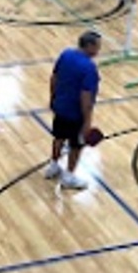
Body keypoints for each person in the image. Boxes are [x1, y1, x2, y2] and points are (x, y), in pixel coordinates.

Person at [44, 31, 102, 190]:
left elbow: (54, 77)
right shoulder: (89, 68)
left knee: (58, 137)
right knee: (76, 146)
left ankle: (53, 165)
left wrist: (53, 98)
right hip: (75, 113)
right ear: (89, 46)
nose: (99, 50)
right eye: (97, 46)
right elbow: (85, 96)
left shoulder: (66, 54)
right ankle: (68, 176)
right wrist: (87, 121)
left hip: (60, 106)